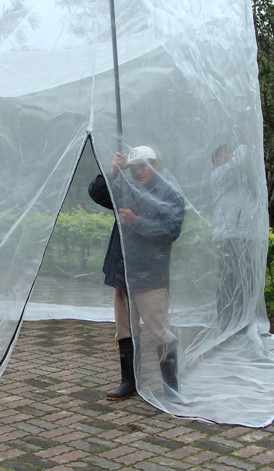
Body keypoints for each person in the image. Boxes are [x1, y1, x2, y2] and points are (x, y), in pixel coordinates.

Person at [88, 146, 185, 400]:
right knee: (125, 329)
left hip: (150, 274)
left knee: (159, 329)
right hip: (122, 270)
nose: (139, 171)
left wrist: (137, 223)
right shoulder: (124, 189)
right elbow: (97, 193)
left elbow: (171, 230)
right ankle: (128, 381)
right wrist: (113, 171)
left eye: (144, 165)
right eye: (133, 168)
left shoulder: (169, 194)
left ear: (156, 165)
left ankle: (171, 388)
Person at [210, 141, 257, 333]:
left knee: (246, 281)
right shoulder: (218, 176)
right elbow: (236, 165)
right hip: (227, 236)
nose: (228, 156)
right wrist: (245, 144)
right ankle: (226, 321)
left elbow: (255, 199)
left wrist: (252, 180)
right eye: (222, 155)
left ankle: (244, 319)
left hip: (246, 236)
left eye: (229, 153)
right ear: (214, 163)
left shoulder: (239, 178)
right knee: (228, 281)